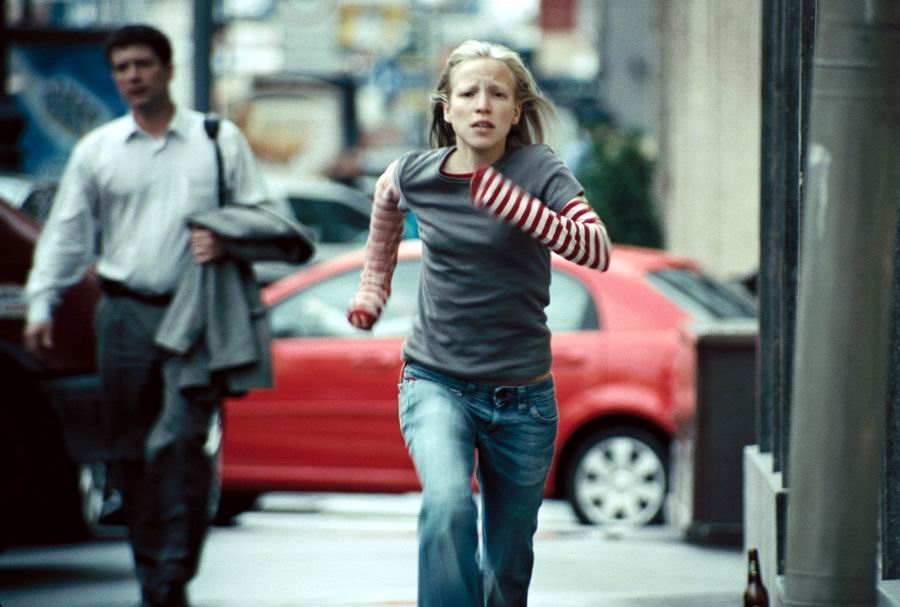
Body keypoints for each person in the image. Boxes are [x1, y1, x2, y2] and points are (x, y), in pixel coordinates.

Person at [22, 24, 311, 607]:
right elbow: (67, 234)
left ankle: (172, 576)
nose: (133, 76)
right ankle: (154, 576)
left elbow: (267, 218)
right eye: (122, 67)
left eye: (143, 64)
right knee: (129, 453)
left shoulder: (215, 139)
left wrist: (227, 239)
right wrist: (41, 304)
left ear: (168, 69)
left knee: (177, 445)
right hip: (123, 315)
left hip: (197, 314)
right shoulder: (98, 149)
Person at [347, 39, 612, 607]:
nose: (483, 104)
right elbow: (386, 200)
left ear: (516, 112)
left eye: (498, 94)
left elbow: (596, 248)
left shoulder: (539, 169)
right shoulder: (417, 173)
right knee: (447, 505)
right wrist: (373, 287)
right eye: (469, 93)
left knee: (508, 566)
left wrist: (519, 206)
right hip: (436, 382)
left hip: (524, 399)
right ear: (447, 109)